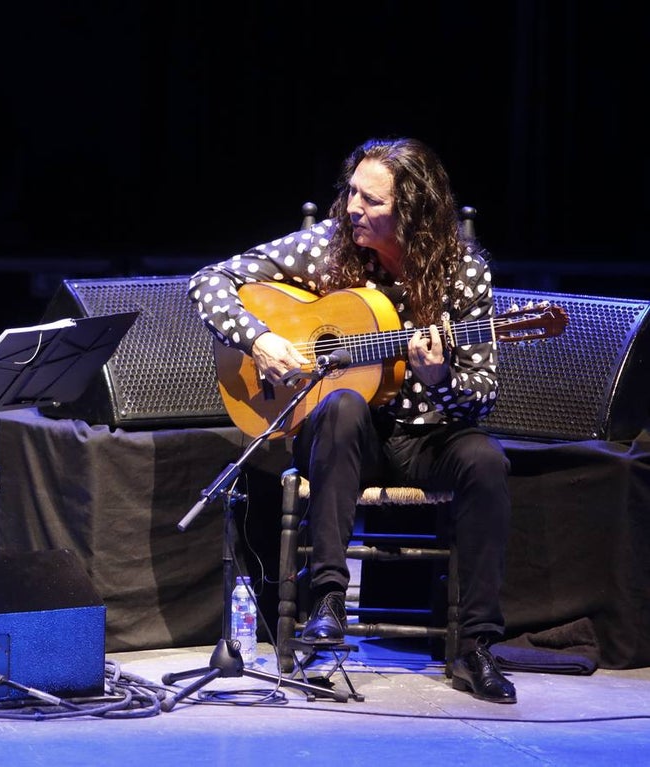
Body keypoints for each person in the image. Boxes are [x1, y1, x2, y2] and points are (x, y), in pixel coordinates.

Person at [188, 137, 516, 704]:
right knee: (342, 407)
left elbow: (482, 398)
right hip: (342, 439)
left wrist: (442, 380)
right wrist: (262, 339)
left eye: (371, 200)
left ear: (411, 211)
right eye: (350, 192)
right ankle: (327, 607)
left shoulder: (463, 275)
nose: (352, 208)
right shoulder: (329, 245)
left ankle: (477, 645)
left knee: (486, 460)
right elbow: (208, 282)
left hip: (426, 437)